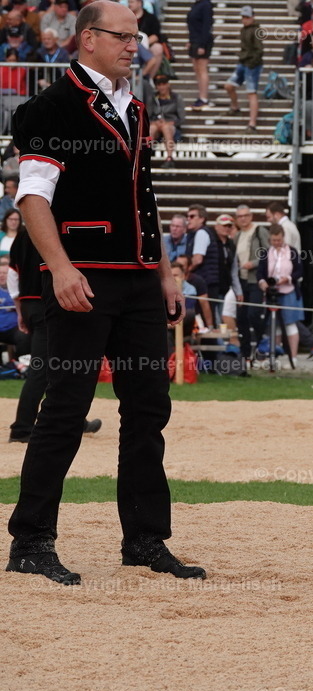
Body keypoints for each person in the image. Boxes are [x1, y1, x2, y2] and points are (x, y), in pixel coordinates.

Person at [6, 1, 205, 585]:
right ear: (87, 38)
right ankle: (31, 540)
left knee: (148, 409)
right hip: (83, 276)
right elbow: (32, 197)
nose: (133, 47)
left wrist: (164, 274)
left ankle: (144, 538)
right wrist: (60, 269)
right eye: (122, 37)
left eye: (136, 38)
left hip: (139, 279)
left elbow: (146, 200)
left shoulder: (134, 106)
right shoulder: (49, 107)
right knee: (65, 409)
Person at [7, 233, 104, 444]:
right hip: (51, 301)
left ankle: (74, 419)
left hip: (30, 304)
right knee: (44, 368)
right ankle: (22, 428)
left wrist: (20, 310)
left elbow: (12, 275)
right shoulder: (59, 228)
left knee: (63, 363)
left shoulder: (22, 235)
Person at [257, 223, 302, 362]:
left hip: (288, 291)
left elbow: (300, 271)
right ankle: (274, 356)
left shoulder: (292, 252)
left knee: (290, 324)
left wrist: (287, 278)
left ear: (283, 238)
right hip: (272, 293)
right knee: (273, 325)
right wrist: (263, 283)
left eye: (279, 240)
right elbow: (260, 273)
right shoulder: (266, 253)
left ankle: (293, 357)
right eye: (274, 240)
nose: (277, 243)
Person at [233, 204, 268, 361]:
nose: (243, 219)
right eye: (240, 216)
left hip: (255, 279)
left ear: (251, 216)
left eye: (245, 215)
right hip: (241, 280)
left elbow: (268, 253)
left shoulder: (259, 231)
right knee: (241, 318)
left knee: (253, 314)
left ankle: (262, 345)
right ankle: (245, 352)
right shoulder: (237, 236)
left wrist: (253, 263)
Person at [222, 6, 263, 133]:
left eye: (247, 17)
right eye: (243, 17)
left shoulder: (256, 30)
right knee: (229, 86)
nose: (245, 19)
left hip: (252, 65)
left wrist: (252, 63)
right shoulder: (243, 30)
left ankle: (252, 124)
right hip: (243, 62)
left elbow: (259, 50)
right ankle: (235, 107)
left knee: (251, 92)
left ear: (252, 17)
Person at [147, 74, 184, 169]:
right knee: (152, 128)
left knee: (166, 127)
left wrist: (172, 122)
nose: (161, 87)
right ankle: (145, 157)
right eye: (159, 85)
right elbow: (147, 115)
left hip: (171, 126)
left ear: (168, 84)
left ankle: (169, 158)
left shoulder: (176, 98)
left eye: (164, 84)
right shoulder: (153, 98)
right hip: (156, 124)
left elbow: (181, 118)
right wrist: (154, 122)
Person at [186, 0, 214, 109]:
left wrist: (202, 45)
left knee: (202, 69)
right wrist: (190, 40)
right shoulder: (196, 4)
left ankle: (204, 98)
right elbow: (193, 25)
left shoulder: (206, 5)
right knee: (197, 69)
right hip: (194, 40)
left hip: (202, 41)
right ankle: (200, 96)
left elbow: (207, 26)